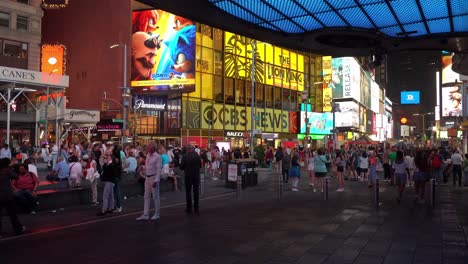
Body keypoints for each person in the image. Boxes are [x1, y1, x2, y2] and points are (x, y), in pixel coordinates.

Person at [0, 158, 25, 237]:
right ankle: (18, 229)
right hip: (7, 196)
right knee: (12, 214)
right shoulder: (7, 170)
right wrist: (11, 168)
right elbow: (16, 176)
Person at [136, 142, 161, 221]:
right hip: (147, 177)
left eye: (148, 147)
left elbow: (158, 170)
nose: (147, 148)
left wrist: (156, 180)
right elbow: (148, 166)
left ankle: (157, 213)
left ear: (152, 148)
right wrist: (143, 168)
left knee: (155, 197)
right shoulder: (148, 155)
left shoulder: (157, 157)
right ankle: (145, 214)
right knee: (146, 196)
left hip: (153, 177)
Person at [180, 145, 201, 214]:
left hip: (188, 176)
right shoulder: (197, 156)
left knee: (188, 192)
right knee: (196, 191)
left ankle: (189, 208)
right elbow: (200, 166)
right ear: (192, 149)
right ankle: (196, 208)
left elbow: (181, 167)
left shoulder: (185, 157)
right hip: (196, 176)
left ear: (187, 150)